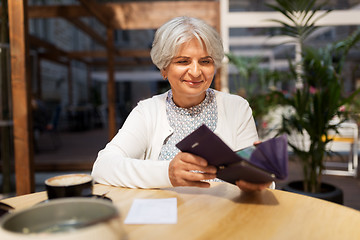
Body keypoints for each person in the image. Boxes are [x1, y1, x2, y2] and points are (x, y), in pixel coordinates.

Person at [91, 16, 272, 192]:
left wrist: (257, 180)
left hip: (225, 214)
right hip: (165, 215)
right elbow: (103, 167)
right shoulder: (147, 111)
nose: (195, 72)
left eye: (205, 61)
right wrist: (167, 173)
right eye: (183, 61)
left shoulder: (237, 108)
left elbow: (260, 178)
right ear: (164, 69)